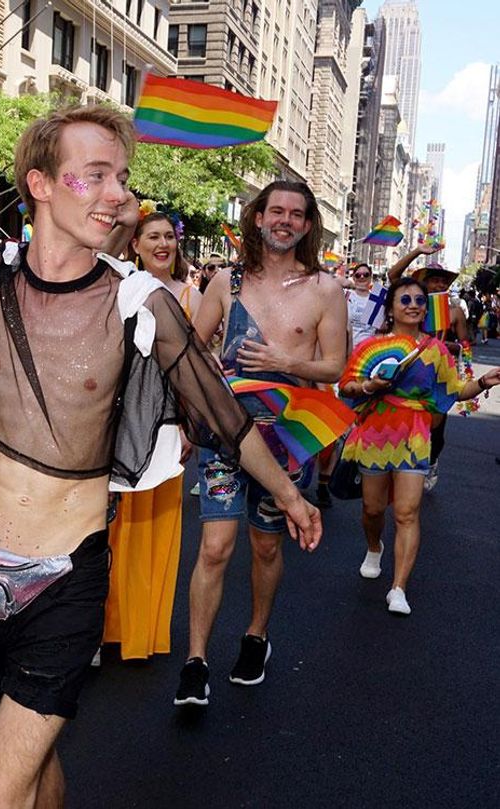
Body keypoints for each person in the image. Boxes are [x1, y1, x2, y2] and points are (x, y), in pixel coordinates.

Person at [0, 11, 321, 807]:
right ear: (39, 184)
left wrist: (288, 492)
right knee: (35, 766)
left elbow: (223, 415)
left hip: (65, 580)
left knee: (1, 789)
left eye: (121, 177)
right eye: (96, 174)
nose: (119, 194)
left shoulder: (139, 304)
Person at [175, 180, 346, 708]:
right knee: (214, 547)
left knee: (267, 544)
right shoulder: (226, 281)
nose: (285, 221)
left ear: (308, 225)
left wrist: (286, 361)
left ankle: (256, 636)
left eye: (296, 214)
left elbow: (335, 367)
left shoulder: (325, 290)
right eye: (276, 211)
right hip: (224, 432)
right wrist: (188, 414)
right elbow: (190, 351)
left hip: (286, 436)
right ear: (258, 217)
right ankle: (195, 662)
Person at [338, 277, 498, 615]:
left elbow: (455, 390)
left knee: (407, 512)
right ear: (391, 308)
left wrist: (484, 381)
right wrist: (369, 386)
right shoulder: (371, 346)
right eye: (405, 299)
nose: (413, 305)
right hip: (376, 433)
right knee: (372, 509)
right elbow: (347, 386)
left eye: (420, 301)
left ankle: (398, 588)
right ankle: (374, 546)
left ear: (426, 309)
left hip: (415, 434)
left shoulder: (436, 350)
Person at [103, 211, 200, 661]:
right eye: (153, 237)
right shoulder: (118, 287)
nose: (163, 244)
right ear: (135, 245)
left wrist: (189, 423)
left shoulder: (190, 296)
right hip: (119, 426)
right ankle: (103, 626)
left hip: (167, 429)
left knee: (155, 529)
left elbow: (197, 367)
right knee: (110, 528)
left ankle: (143, 630)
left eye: (169, 237)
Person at [388, 246, 465, 493]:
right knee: (400, 420)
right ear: (424, 283)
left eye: (443, 281)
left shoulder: (454, 312)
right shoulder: (413, 306)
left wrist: (452, 346)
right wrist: (418, 251)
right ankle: (398, 467)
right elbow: (393, 276)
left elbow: (466, 343)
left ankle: (431, 460)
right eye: (434, 280)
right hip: (408, 370)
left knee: (436, 429)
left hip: (438, 375)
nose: (439, 284)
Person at [346, 263, 382, 349]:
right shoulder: (346, 295)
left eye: (366, 274)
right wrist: (348, 283)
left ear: (370, 277)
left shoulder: (377, 299)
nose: (362, 277)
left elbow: (380, 329)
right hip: (347, 349)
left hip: (368, 351)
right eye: (358, 275)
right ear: (354, 278)